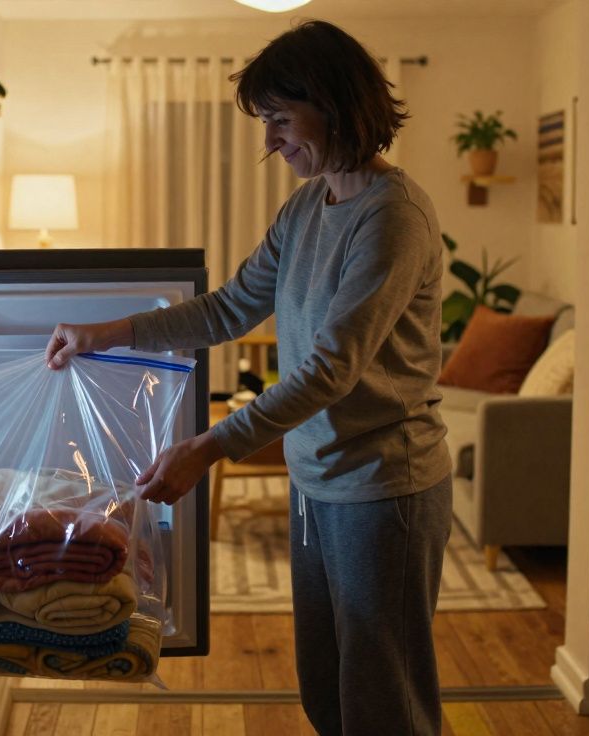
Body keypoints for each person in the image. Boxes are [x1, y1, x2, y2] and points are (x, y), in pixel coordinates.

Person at [44, 19, 452, 736]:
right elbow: (230, 308)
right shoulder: (306, 206)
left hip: (384, 486)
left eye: (279, 120)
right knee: (327, 687)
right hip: (316, 477)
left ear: (332, 104)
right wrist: (106, 334)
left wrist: (209, 446)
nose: (269, 142)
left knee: (385, 695)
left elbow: (332, 368)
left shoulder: (394, 219)